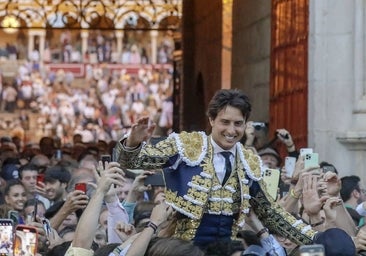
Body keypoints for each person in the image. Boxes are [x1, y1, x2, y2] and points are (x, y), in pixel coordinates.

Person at [115, 89, 317, 249]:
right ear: (211, 120)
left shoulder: (249, 160)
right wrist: (133, 141)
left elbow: (271, 213)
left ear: (245, 123)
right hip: (182, 250)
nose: (231, 130)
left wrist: (316, 238)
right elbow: (132, 162)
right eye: (225, 122)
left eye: (238, 124)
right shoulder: (187, 145)